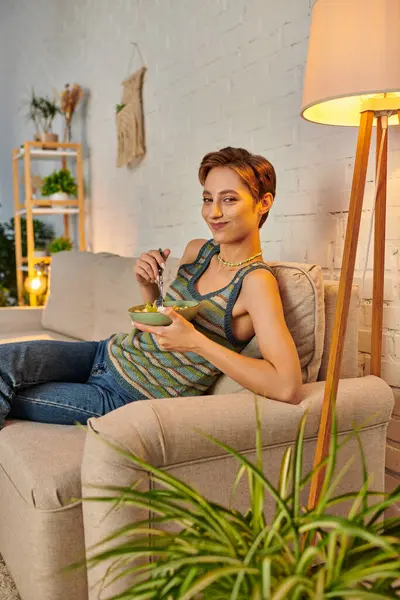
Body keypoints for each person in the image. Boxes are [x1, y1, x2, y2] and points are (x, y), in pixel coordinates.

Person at [0, 147, 302, 430]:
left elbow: (287, 386)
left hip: (127, 399)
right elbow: (162, 321)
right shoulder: (198, 251)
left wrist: (196, 342)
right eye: (208, 199)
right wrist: (148, 287)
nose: (213, 213)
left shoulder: (255, 283)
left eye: (229, 199)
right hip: (104, 353)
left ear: (264, 203)